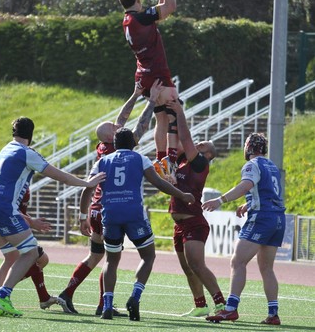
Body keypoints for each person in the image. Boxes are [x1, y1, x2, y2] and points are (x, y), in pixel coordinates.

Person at [0, 116, 106, 317]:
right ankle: (2, 296)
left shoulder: (5, 149)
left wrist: (30, 221)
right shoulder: (26, 153)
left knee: (11, 256)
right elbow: (60, 176)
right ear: (31, 135)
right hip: (4, 209)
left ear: (14, 133)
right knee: (31, 254)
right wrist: (87, 183)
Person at [59, 79, 163, 315]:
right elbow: (140, 128)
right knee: (108, 258)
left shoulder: (104, 147)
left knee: (98, 256)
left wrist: (135, 94)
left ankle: (86, 298)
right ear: (111, 136)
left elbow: (121, 121)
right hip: (109, 208)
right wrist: (152, 102)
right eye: (115, 128)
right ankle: (94, 301)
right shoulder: (119, 150)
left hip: (96, 208)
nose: (118, 127)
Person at [81, 127, 195, 321]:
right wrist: (182, 195)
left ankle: (107, 305)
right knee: (148, 256)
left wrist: (83, 216)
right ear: (133, 144)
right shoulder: (139, 159)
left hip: (110, 215)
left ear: (115, 144)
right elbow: (158, 183)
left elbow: (88, 189)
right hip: (134, 215)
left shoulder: (102, 161)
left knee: (111, 261)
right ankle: (135, 296)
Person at [202, 132, 286, 325]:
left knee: (237, 262)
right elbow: (269, 192)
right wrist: (248, 205)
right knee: (267, 268)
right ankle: (273, 313)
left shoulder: (252, 165)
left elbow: (246, 185)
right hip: (277, 218)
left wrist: (220, 199)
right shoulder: (272, 166)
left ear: (248, 148)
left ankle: (230, 309)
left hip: (262, 218)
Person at [166, 99, 226, 317]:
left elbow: (184, 138)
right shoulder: (183, 163)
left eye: (204, 145)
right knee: (187, 268)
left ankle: (221, 304)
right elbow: (171, 142)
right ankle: (200, 305)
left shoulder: (201, 163)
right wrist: (166, 117)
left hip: (193, 221)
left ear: (208, 155)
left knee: (197, 265)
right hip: (179, 223)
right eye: (199, 142)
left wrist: (180, 112)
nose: (199, 144)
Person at [118, 0, 180, 169]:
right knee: (174, 115)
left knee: (161, 117)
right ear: (138, 1)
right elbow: (170, 6)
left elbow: (161, 11)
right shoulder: (140, 18)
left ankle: (161, 158)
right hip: (157, 73)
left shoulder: (128, 20)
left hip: (143, 75)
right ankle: (170, 159)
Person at [0, 188, 65, 316]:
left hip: (9, 221)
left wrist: (29, 221)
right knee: (35, 257)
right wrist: (32, 222)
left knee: (14, 258)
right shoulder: (15, 179)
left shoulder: (22, 180)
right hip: (8, 221)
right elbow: (9, 208)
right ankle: (1, 296)